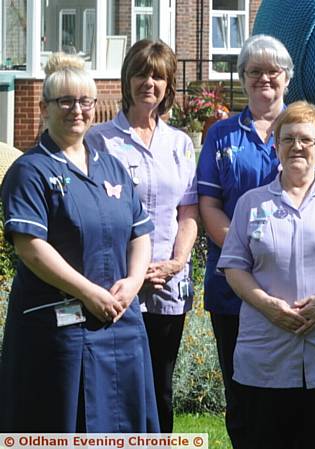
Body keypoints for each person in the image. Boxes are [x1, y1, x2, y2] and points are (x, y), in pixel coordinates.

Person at [0, 52, 158, 431]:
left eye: (85, 101)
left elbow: (141, 232)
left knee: (122, 425)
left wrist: (134, 283)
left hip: (119, 324)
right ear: (44, 108)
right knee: (60, 425)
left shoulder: (111, 166)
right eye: (65, 101)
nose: (77, 110)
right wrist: (90, 293)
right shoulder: (30, 170)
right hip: (59, 332)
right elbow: (30, 247)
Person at [196, 34, 315, 446]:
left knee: (298, 396)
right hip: (233, 288)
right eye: (254, 71)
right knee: (243, 397)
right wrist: (248, 260)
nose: (264, 79)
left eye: (272, 71)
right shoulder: (221, 135)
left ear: (287, 78)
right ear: (242, 78)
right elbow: (209, 206)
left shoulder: (305, 132)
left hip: (300, 293)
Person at [217, 100, 315, 449]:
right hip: (266, 354)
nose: (297, 147)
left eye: (306, 139)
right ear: (276, 147)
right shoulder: (251, 203)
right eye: (287, 139)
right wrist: (267, 304)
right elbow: (233, 267)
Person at [86, 39, 198, 433]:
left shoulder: (180, 144)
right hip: (116, 284)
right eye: (140, 73)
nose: (148, 82)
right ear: (126, 79)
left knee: (160, 387)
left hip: (167, 284)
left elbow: (188, 211)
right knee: (116, 385)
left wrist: (176, 262)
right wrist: (132, 274)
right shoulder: (99, 140)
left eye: (157, 75)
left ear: (168, 84)